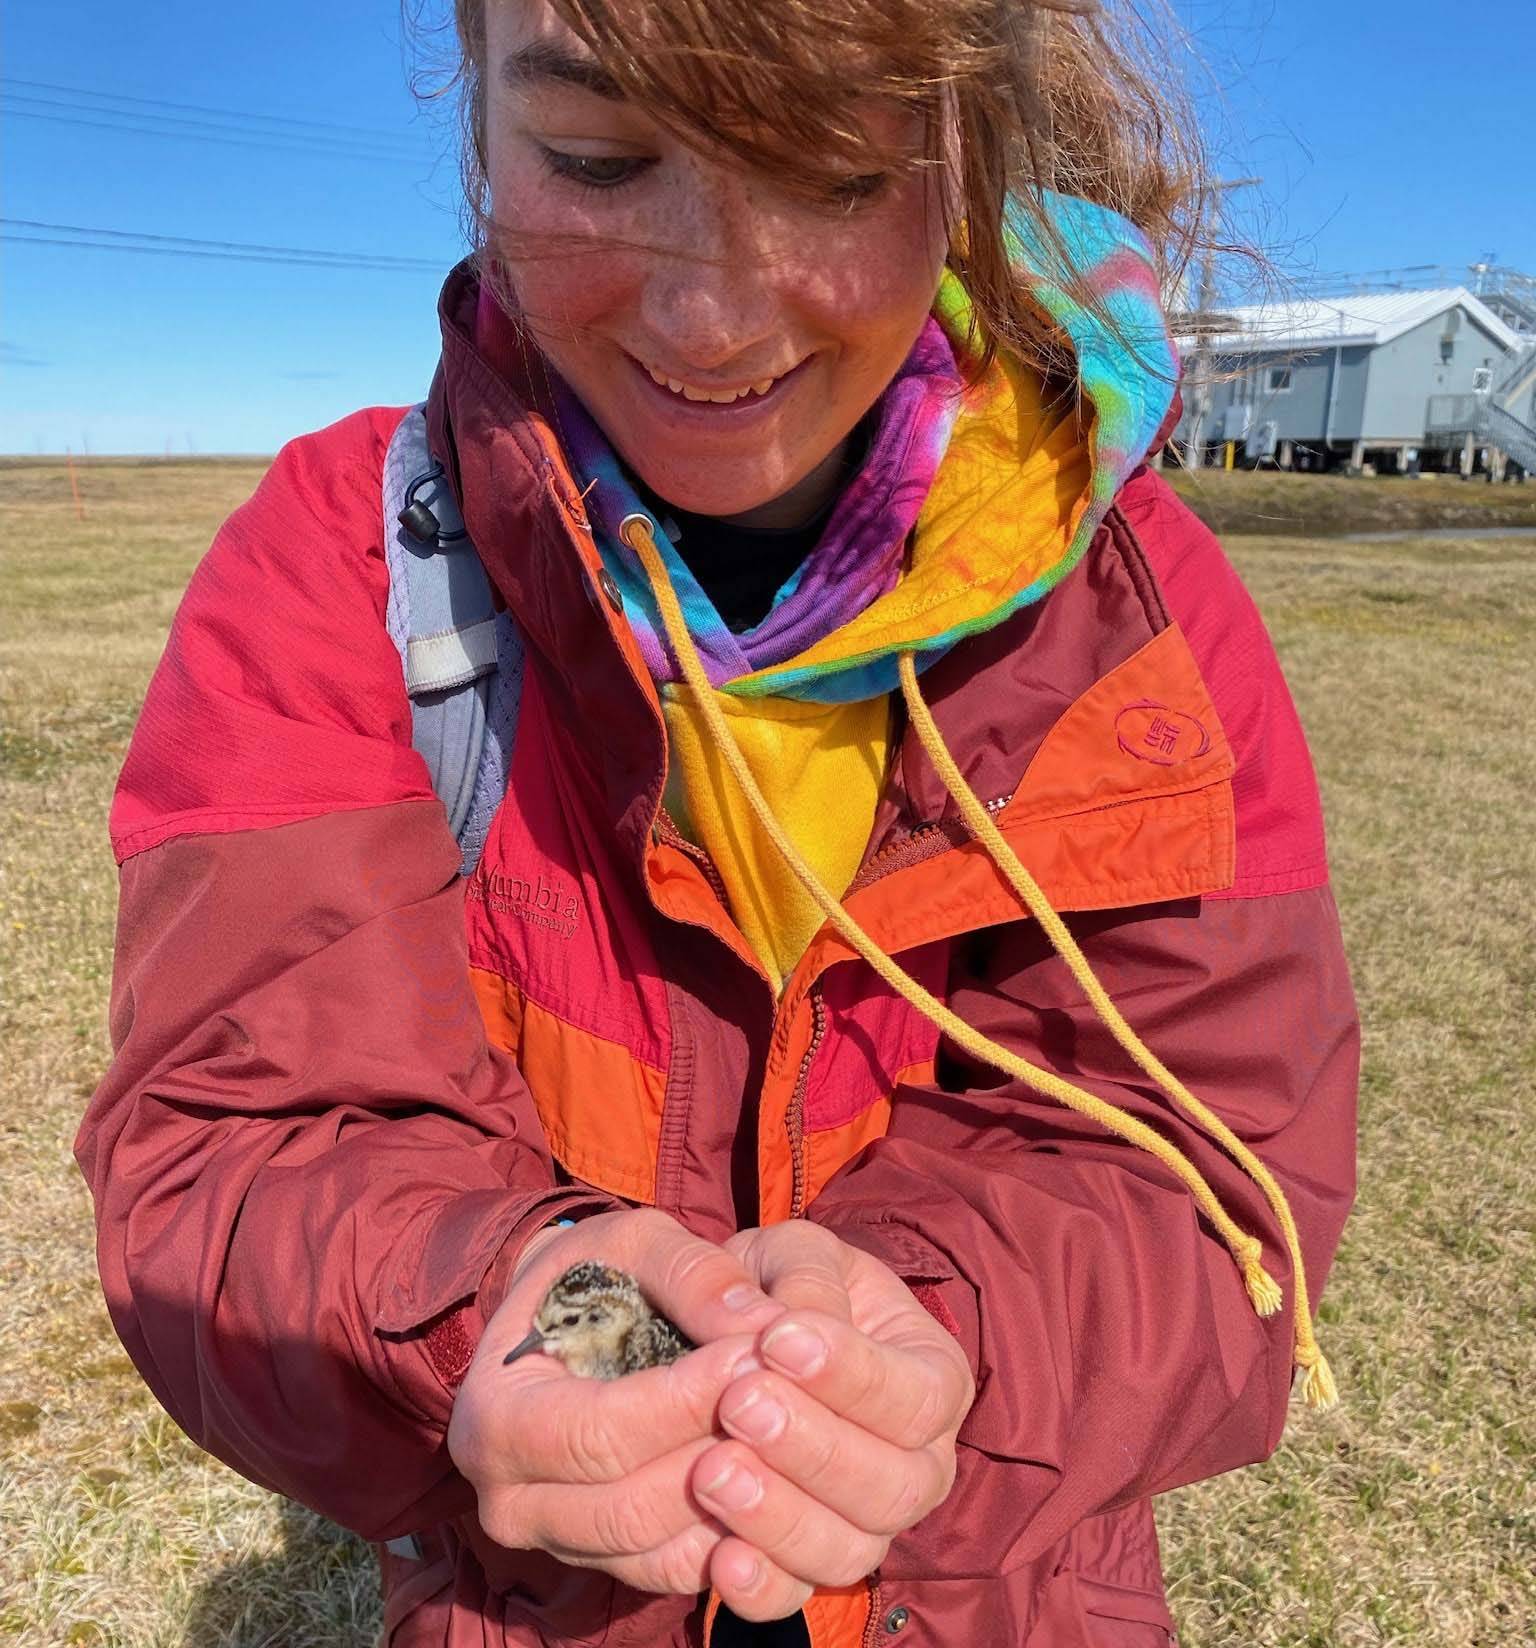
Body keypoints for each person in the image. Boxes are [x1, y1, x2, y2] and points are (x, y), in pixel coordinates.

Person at [77, 0, 1359, 1644]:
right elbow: (227, 1137)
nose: (709, 306)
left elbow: (1216, 1172)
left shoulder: (1136, 611)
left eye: (826, 168)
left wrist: (942, 1344)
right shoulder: (342, 563)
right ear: (477, 129)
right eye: (599, 160)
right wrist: (482, 1313)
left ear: (964, 146)